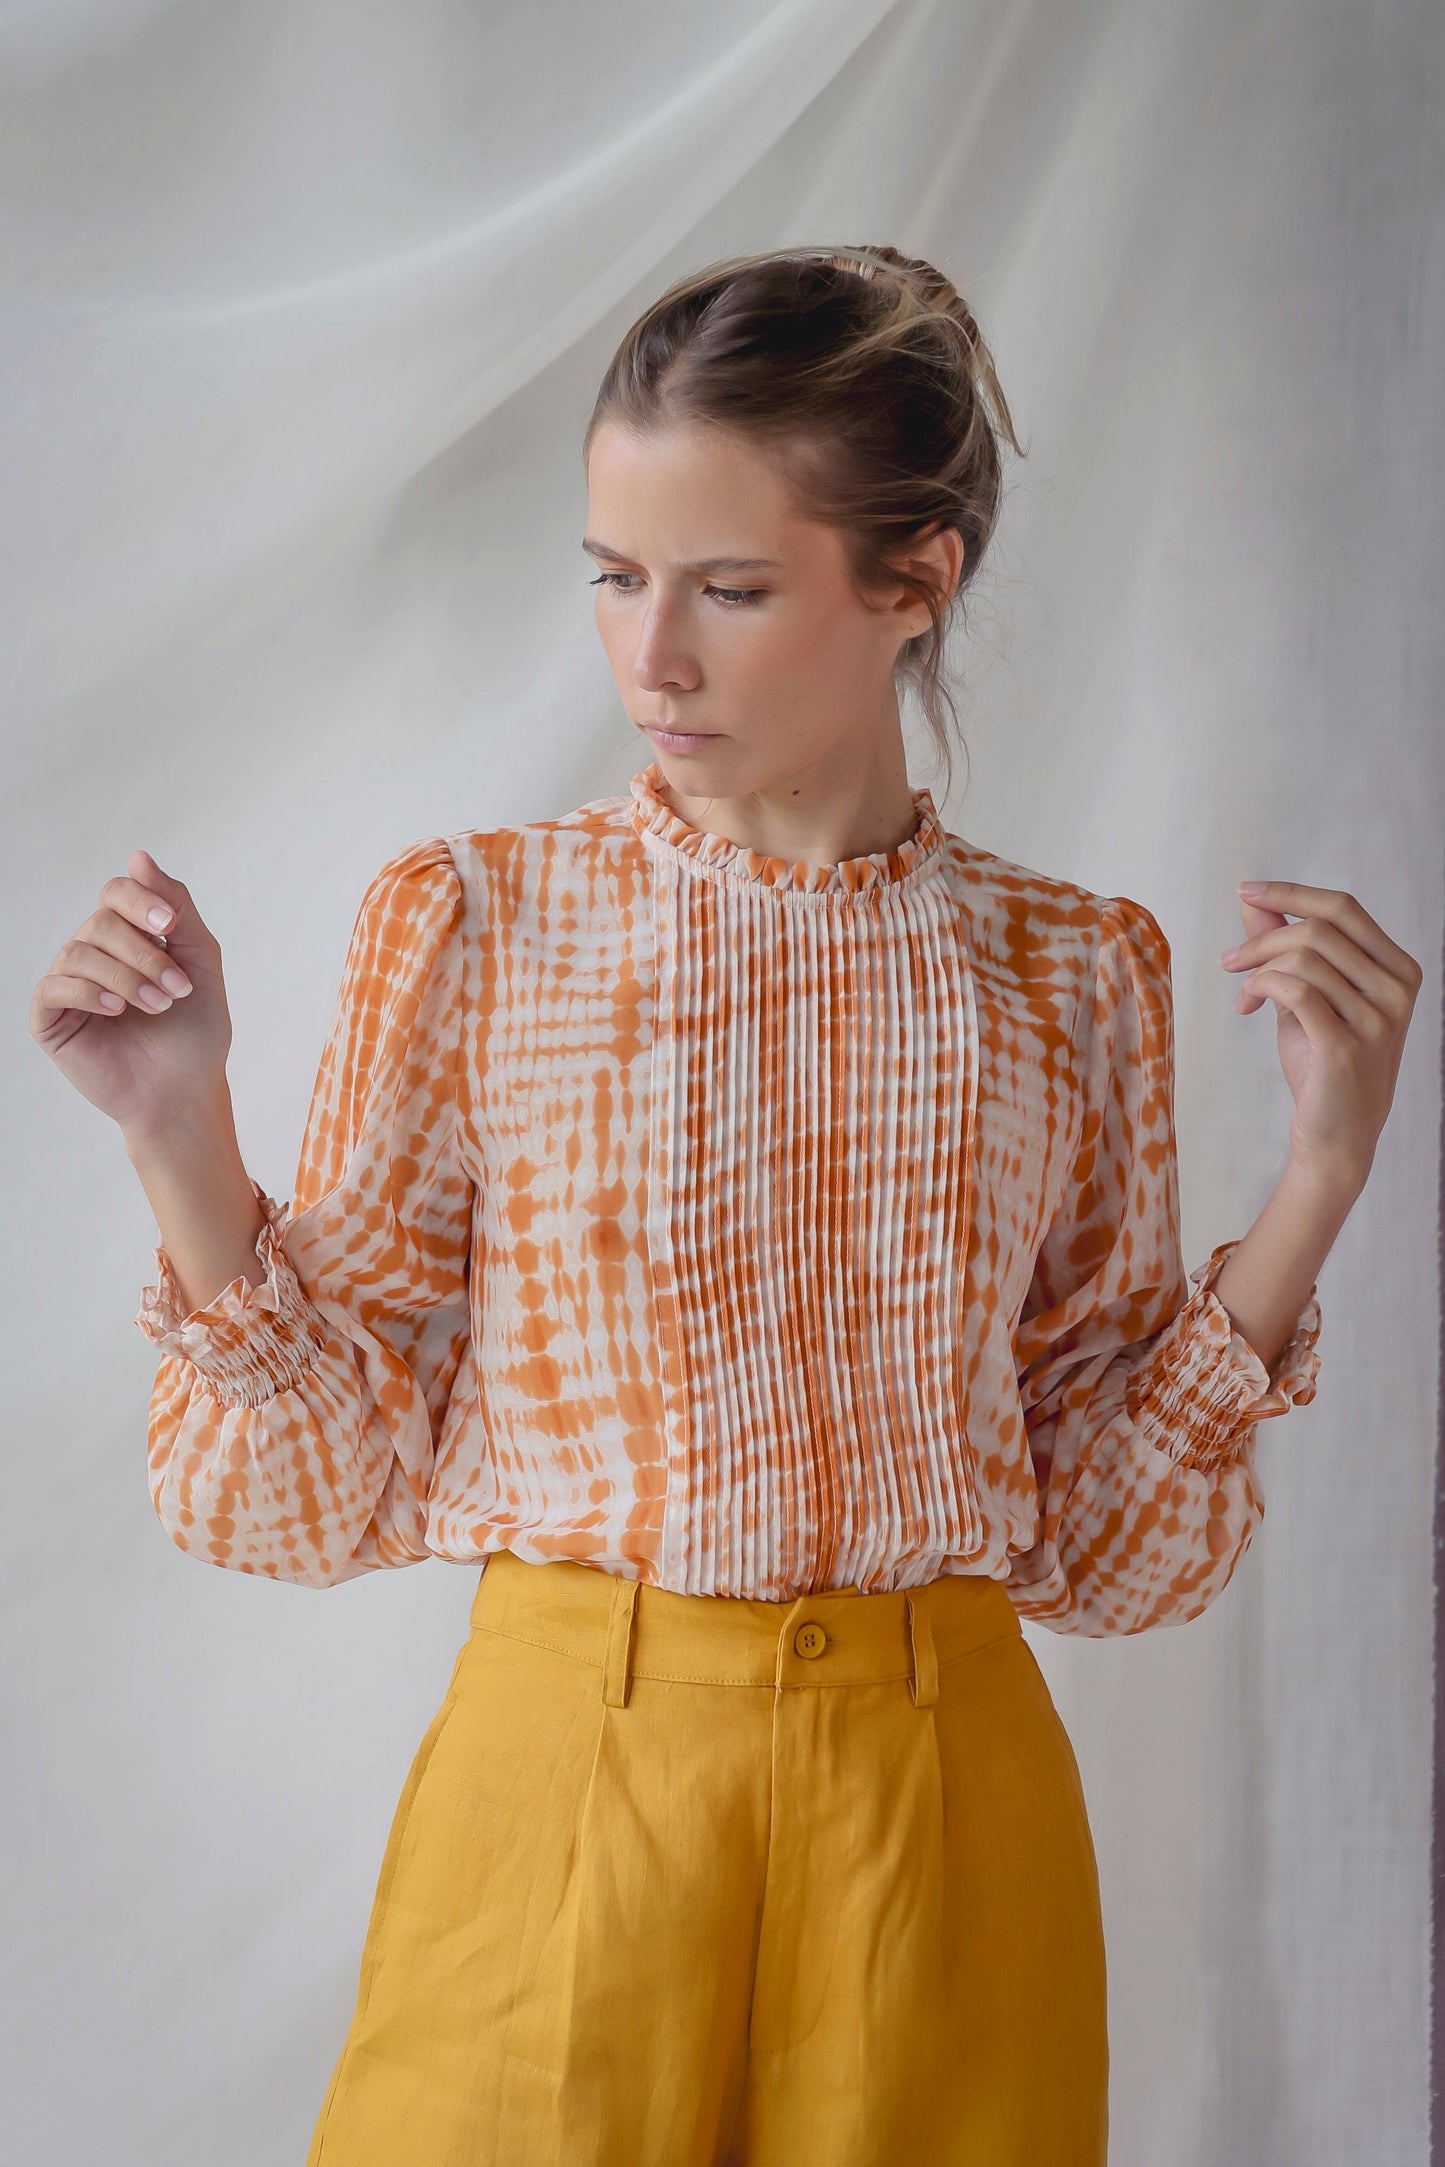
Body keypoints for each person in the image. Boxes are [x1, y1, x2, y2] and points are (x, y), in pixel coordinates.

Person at [30, 244, 1422, 2165]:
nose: (648, 656)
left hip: (940, 1818)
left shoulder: (1070, 969)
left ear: (914, 577)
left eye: (729, 588)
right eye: (613, 576)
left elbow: (1111, 1554)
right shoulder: (475, 924)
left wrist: (1321, 1181)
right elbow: (305, 1499)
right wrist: (176, 1132)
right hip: (565, 1785)